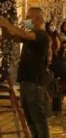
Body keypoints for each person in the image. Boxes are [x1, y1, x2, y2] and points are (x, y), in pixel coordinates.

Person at [0, 8, 50, 138]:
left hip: (35, 83)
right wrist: (4, 27)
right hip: (25, 82)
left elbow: (25, 35)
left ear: (38, 19)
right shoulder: (29, 36)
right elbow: (11, 36)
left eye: (28, 17)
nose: (25, 20)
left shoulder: (41, 35)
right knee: (30, 120)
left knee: (38, 119)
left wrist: (7, 24)